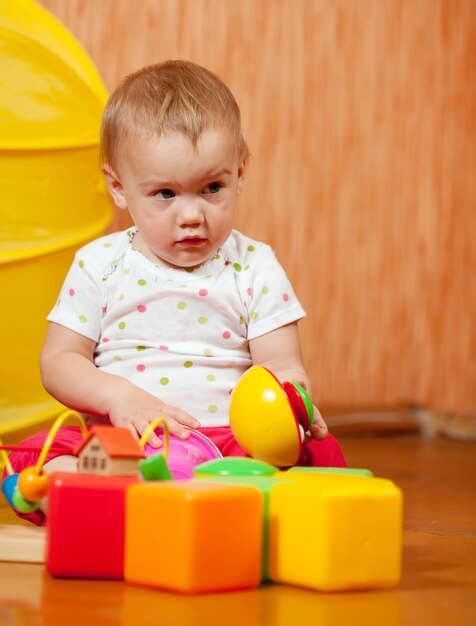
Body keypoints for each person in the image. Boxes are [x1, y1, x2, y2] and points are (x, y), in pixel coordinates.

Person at [8, 60, 345, 524]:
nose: (191, 216)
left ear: (240, 174)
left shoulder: (254, 266)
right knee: (56, 461)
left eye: (212, 187)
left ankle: (198, 502)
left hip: (233, 441)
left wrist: (292, 401)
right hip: (128, 438)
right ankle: (102, 498)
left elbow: (280, 363)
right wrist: (118, 397)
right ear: (119, 188)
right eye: (165, 194)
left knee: (316, 458)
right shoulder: (99, 265)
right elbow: (59, 362)